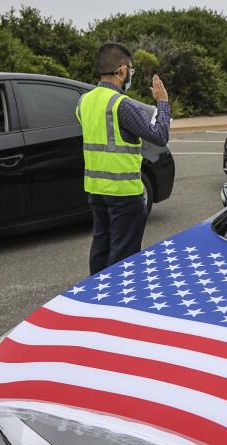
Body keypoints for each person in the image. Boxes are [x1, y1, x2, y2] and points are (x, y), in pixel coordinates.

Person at [76, 42, 171, 275]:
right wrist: (163, 103)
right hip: (124, 194)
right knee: (123, 256)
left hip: (96, 189)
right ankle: (117, 302)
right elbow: (160, 136)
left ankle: (95, 294)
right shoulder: (121, 105)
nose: (131, 74)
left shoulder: (83, 102)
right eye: (131, 69)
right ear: (121, 70)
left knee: (101, 244)